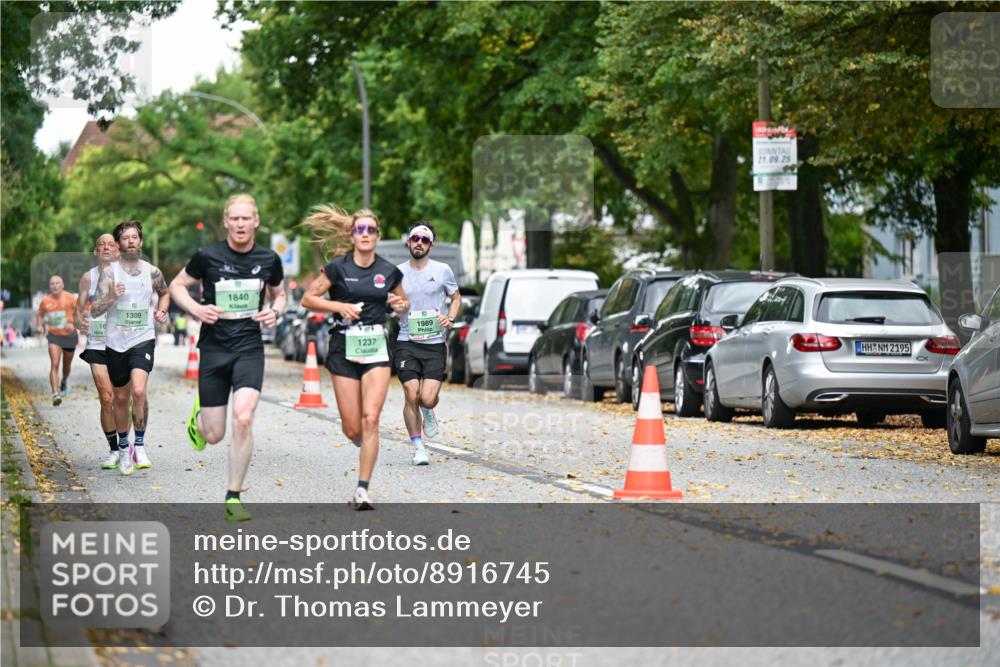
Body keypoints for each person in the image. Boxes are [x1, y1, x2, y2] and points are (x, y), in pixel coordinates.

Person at [169, 194, 285, 522]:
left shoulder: (268, 259)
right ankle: (200, 416)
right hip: (214, 348)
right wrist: (195, 309)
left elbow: (280, 293)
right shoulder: (207, 256)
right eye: (234, 218)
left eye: (246, 218)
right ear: (226, 222)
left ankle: (233, 496)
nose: (240, 224)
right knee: (214, 435)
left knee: (244, 418)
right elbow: (177, 285)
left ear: (256, 221)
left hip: (249, 347)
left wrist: (275, 311)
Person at [301, 205, 408, 510]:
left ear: (377, 235)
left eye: (370, 230)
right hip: (343, 348)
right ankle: (363, 442)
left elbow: (403, 302)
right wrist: (339, 308)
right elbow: (308, 298)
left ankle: (362, 490)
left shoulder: (389, 270)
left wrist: (399, 306)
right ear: (352, 234)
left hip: (375, 347)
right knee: (353, 428)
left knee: (370, 419)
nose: (365, 234)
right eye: (359, 229)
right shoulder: (337, 268)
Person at [91, 220, 170, 476]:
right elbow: (95, 310)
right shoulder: (110, 273)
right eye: (125, 238)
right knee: (121, 398)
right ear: (119, 244)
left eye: (135, 237)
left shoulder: (153, 271)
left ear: (141, 241)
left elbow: (165, 292)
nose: (131, 241)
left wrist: (162, 310)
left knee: (138, 390)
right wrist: (112, 296)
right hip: (116, 343)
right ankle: (124, 449)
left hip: (142, 338)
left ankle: (140, 445)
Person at [394, 222, 460, 465]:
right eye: (415, 238)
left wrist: (450, 317)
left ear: (430, 244)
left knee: (427, 398)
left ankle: (428, 410)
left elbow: (456, 297)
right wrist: (394, 307)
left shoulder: (443, 270)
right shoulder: (397, 273)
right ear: (408, 242)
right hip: (406, 341)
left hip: (434, 343)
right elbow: (390, 302)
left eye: (424, 239)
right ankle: (418, 446)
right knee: (411, 393)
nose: (419, 243)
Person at [75, 233, 131, 470]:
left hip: (122, 343)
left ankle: (127, 445)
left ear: (118, 251)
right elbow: (78, 310)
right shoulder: (88, 277)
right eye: (102, 245)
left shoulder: (128, 273)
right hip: (97, 343)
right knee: (106, 397)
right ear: (96, 251)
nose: (106, 247)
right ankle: (113, 450)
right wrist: (80, 322)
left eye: (111, 244)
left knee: (122, 398)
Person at [37, 275, 78, 406]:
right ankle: (55, 394)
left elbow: (80, 315)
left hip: (70, 336)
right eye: (52, 284)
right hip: (54, 336)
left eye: (57, 283)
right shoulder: (45, 301)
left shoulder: (71, 298)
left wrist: (74, 324)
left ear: (62, 285)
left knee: (66, 366)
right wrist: (39, 326)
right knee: (54, 363)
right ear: (50, 286)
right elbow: (40, 315)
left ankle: (64, 380)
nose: (55, 286)